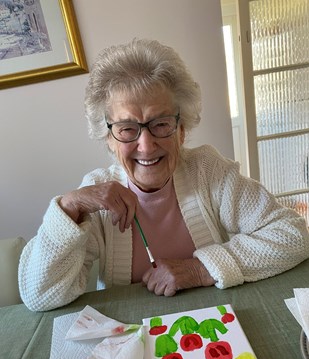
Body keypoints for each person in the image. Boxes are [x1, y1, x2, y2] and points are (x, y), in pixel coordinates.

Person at [19, 38, 309, 312]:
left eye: (160, 123)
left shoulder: (207, 170)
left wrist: (200, 269)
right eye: (127, 129)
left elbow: (293, 235)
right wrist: (70, 207)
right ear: (108, 138)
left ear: (181, 129)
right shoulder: (95, 193)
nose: (146, 146)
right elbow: (39, 295)